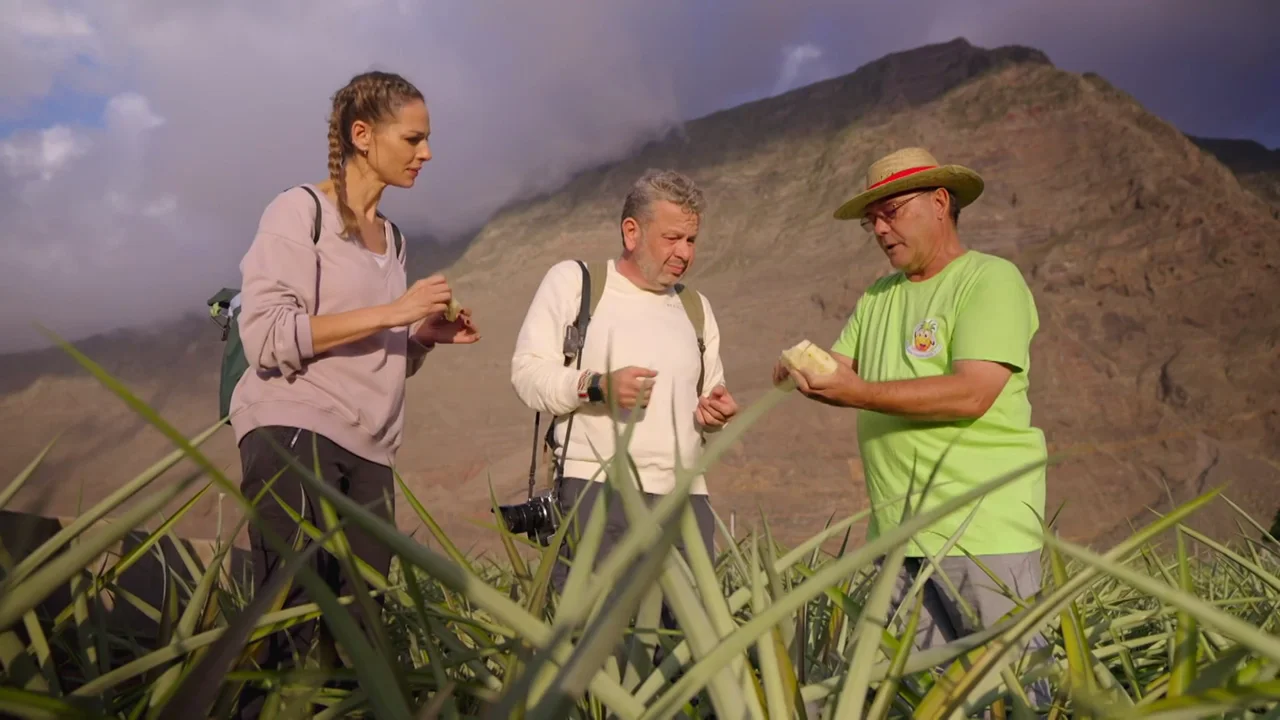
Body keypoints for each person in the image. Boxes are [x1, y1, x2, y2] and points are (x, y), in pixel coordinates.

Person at [229, 70, 479, 712]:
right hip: (295, 430)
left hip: (371, 451)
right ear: (362, 136)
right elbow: (269, 337)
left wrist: (420, 336)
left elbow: (378, 358)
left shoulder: (392, 239)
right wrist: (395, 312)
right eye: (414, 138)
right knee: (295, 628)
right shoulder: (298, 211)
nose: (427, 154)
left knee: (361, 637)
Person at [775, 147, 1051, 704]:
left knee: (1011, 700)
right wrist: (799, 371)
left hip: (983, 537)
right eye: (871, 220)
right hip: (899, 541)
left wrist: (858, 392)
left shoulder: (989, 280)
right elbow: (845, 371)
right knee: (924, 702)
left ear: (940, 202)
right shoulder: (879, 298)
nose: (880, 229)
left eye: (892, 211)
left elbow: (975, 392)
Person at [510, 168, 739, 594]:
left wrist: (716, 414)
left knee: (686, 649)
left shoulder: (696, 308)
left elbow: (710, 398)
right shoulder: (575, 284)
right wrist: (597, 385)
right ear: (631, 232)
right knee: (598, 645)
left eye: (691, 240)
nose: (684, 252)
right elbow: (526, 374)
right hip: (594, 493)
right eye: (672, 238)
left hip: (685, 500)